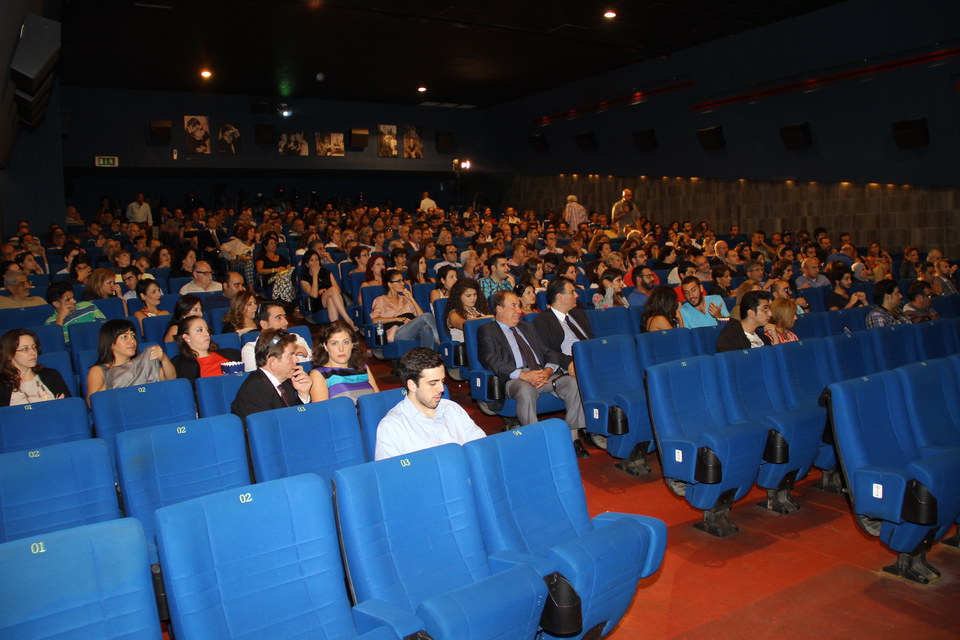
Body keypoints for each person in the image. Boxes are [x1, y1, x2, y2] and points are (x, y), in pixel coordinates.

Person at [478, 290, 589, 457]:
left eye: (519, 306)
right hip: (513, 378)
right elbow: (491, 360)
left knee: (574, 383)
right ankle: (534, 441)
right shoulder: (487, 330)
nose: (519, 310)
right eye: (513, 306)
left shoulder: (527, 327)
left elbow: (547, 352)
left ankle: (572, 438)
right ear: (499, 309)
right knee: (526, 389)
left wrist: (548, 370)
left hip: (541, 373)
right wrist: (523, 375)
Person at [374, 347, 485, 461]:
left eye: (442, 381)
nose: (441, 389)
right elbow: (391, 471)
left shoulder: (453, 409)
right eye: (433, 383)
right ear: (412, 385)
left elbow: (482, 447)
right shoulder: (392, 427)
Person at [231, 329, 312, 426]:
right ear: (273, 362)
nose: (296, 359)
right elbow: (267, 430)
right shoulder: (254, 391)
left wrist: (303, 394)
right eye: (290, 356)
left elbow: (295, 418)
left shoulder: (285, 381)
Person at [86, 319, 175, 405]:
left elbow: (170, 378)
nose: (132, 341)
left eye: (133, 336)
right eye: (124, 337)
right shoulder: (98, 370)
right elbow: (92, 403)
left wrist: (164, 359)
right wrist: (113, 379)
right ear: (110, 343)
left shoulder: (141, 365)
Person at [308, 320, 380, 403]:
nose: (341, 349)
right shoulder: (318, 374)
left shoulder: (363, 368)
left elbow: (378, 401)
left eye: (345, 342)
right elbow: (323, 410)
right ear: (326, 346)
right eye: (334, 343)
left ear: (352, 344)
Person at [534, 277, 594, 371]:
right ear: (560, 297)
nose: (577, 295)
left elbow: (591, 339)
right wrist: (568, 363)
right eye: (572, 292)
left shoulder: (579, 314)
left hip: (593, 358)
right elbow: (546, 351)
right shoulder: (542, 321)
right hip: (573, 364)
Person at [0, 329, 70, 406]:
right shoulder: (2, 383)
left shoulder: (51, 375)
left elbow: (70, 406)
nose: (33, 352)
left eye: (34, 347)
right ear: (9, 354)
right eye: (25, 349)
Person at [370, 269, 438, 348]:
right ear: (390, 284)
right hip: (396, 332)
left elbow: (421, 317)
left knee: (426, 328)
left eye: (402, 280)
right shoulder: (381, 300)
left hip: (411, 330)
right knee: (427, 316)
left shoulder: (405, 299)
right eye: (399, 281)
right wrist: (398, 319)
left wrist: (411, 298)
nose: (403, 283)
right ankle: (440, 342)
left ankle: (426, 355)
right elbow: (374, 320)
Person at [240, 302, 311, 371]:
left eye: (284, 317)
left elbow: (311, 365)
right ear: (264, 324)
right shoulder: (250, 349)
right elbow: (256, 376)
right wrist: (290, 351)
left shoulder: (296, 339)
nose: (286, 322)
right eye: (279, 317)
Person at [171, 316, 242, 384]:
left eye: (207, 330)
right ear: (186, 338)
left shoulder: (232, 354)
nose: (207, 334)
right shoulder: (180, 365)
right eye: (199, 330)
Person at [299, 249, 354, 327]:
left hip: (333, 297)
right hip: (317, 302)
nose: (315, 262)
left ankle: (335, 327)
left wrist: (327, 291)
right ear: (307, 264)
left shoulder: (326, 272)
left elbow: (338, 290)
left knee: (330, 299)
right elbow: (314, 295)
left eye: (317, 259)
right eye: (311, 260)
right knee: (332, 290)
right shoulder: (304, 278)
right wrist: (315, 275)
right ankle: (348, 320)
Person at [444, 278, 491, 343]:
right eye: (468, 296)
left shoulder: (478, 309)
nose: (473, 298)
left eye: (475, 294)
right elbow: (466, 326)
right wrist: (486, 318)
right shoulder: (453, 314)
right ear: (459, 296)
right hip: (465, 346)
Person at [256, 234, 294, 302]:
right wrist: (275, 270)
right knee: (282, 282)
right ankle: (287, 300)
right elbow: (259, 270)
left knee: (286, 279)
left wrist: (284, 271)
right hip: (271, 281)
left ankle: (285, 300)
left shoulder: (281, 257)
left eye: (275, 243)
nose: (274, 245)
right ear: (265, 246)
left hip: (284, 278)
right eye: (271, 243)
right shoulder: (262, 258)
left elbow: (290, 268)